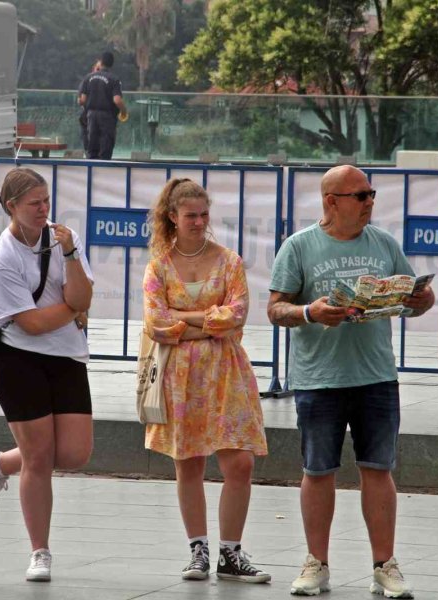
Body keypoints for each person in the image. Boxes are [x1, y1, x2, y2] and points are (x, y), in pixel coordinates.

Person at [267, 165, 435, 598]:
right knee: (317, 470)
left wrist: (423, 298)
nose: (369, 203)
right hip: (318, 377)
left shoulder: (383, 243)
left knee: (378, 469)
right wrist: (310, 312)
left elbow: (413, 301)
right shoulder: (299, 246)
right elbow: (275, 309)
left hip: (376, 374)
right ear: (331, 201)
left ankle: (385, 566)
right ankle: (315, 564)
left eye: (371, 194)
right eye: (360, 196)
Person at [142, 178, 270, 584]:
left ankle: (230, 552)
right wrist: (206, 321)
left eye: (203, 214)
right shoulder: (159, 265)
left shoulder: (229, 261)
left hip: (226, 372)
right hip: (180, 377)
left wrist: (185, 317)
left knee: (240, 462)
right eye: (190, 215)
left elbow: (235, 315)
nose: (198, 222)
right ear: (172, 217)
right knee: (189, 463)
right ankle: (198, 549)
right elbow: (156, 323)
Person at [0, 167, 94, 582]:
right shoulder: (3, 255)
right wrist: (73, 310)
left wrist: (71, 258)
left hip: (66, 357)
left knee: (76, 453)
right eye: (34, 203)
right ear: (11, 207)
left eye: (46, 200)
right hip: (18, 359)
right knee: (40, 457)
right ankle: (39, 551)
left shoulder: (65, 238)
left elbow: (84, 294)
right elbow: (31, 324)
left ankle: (0, 464)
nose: (44, 209)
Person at [78, 51, 127, 159]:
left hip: (90, 115)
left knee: (92, 147)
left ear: (101, 62)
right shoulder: (114, 79)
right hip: (107, 117)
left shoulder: (88, 77)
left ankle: (91, 171)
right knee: (105, 147)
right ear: (111, 64)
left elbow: (82, 100)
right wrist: (124, 111)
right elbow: (117, 100)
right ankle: (104, 170)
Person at [79, 59, 102, 152]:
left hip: (103, 118)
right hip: (88, 116)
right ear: (93, 69)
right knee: (89, 146)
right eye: (98, 69)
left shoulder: (109, 82)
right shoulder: (87, 80)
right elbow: (80, 100)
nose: (99, 71)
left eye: (101, 69)